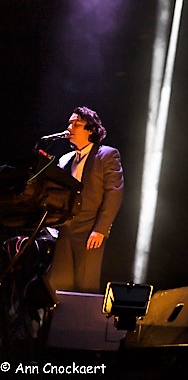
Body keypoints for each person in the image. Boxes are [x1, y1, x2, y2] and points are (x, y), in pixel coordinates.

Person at [48, 106, 124, 293]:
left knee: (85, 286)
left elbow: (114, 192)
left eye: (76, 124)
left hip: (89, 229)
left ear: (91, 129)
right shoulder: (65, 160)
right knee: (59, 286)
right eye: (69, 123)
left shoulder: (107, 155)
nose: (70, 127)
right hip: (64, 230)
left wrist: (100, 229)